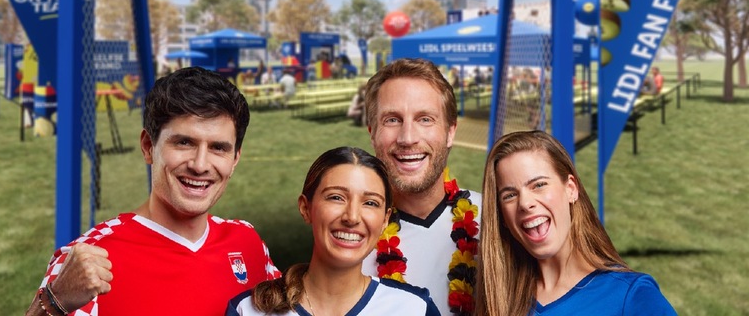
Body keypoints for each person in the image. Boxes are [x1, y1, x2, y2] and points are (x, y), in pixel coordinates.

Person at [25, 67, 280, 316]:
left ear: (235, 159)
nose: (200, 165)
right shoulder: (90, 259)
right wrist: (54, 301)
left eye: (218, 148)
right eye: (184, 142)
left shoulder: (247, 242)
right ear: (148, 147)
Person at [477, 130, 676, 316]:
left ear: (571, 189)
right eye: (510, 195)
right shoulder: (499, 299)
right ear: (502, 217)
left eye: (539, 185)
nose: (525, 203)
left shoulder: (631, 295)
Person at [226, 147, 440, 316]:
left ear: (385, 219)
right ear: (305, 208)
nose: (352, 217)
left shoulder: (415, 308)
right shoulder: (249, 310)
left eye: (371, 203)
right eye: (336, 197)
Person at [361, 58, 482, 316]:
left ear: (450, 132)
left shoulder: (496, 219)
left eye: (425, 119)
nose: (407, 138)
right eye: (392, 120)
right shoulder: (352, 240)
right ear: (372, 133)